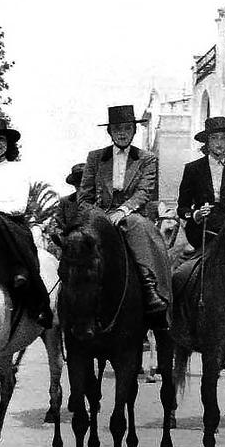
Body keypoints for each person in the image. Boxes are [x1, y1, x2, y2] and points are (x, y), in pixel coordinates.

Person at [79, 105, 172, 329]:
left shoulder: (147, 159)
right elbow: (84, 195)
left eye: (128, 128)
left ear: (134, 131)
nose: (122, 133)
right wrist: (99, 217)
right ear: (110, 132)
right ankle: (72, 297)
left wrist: (123, 210)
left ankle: (149, 286)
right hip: (100, 215)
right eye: (118, 129)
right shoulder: (95, 158)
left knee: (138, 227)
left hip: (132, 214)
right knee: (76, 244)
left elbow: (144, 191)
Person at [0, 117, 54, 328]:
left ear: (8, 144)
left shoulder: (20, 169)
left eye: (1, 139)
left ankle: (25, 280)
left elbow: (20, 205)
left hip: (12, 223)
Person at [177, 116, 225, 249]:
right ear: (207, 142)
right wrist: (196, 214)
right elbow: (182, 208)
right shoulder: (193, 169)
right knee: (184, 269)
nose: (219, 143)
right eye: (214, 138)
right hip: (202, 231)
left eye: (223, 138)